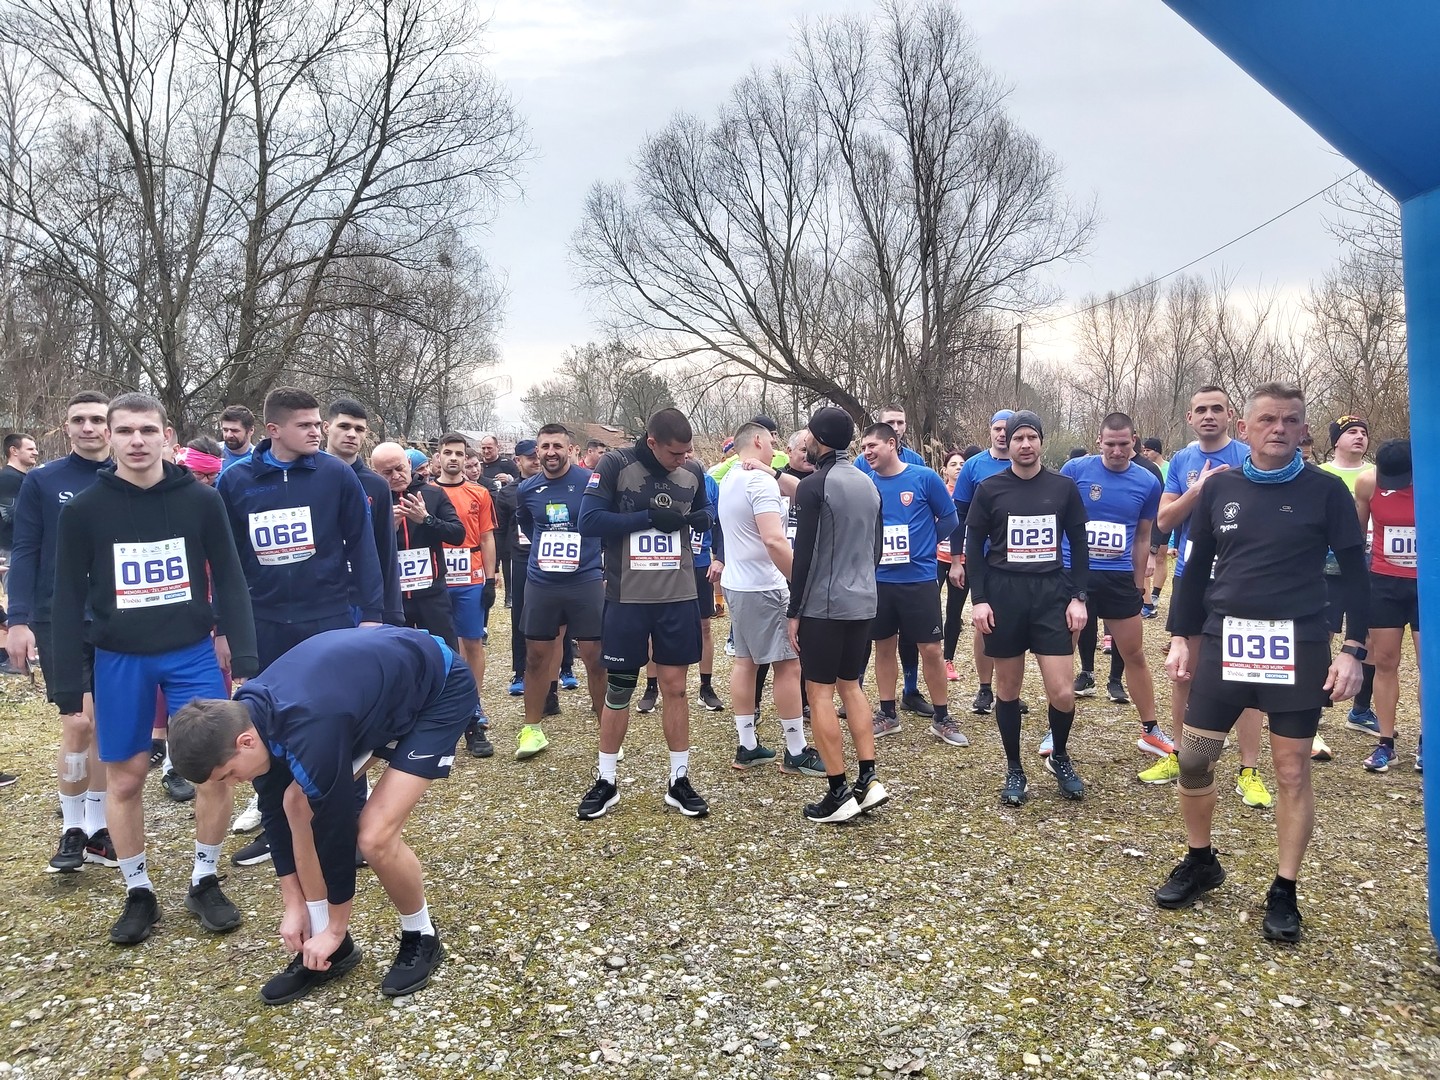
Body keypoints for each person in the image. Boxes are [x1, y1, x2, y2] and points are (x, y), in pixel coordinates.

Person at [1154, 383, 1368, 943]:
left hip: (1297, 646)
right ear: (1244, 429)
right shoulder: (1219, 486)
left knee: (1292, 771)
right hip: (1226, 641)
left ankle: (1284, 888)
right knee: (1194, 760)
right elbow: (1195, 571)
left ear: (1303, 430)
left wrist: (1353, 650)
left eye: (1291, 420)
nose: (1279, 428)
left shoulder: (1327, 492)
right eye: (1267, 419)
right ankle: (1202, 861)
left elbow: (1355, 574)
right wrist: (1180, 636)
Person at [169, 625, 476, 1003]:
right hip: (371, 696)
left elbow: (335, 836)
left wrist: (336, 925)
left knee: (374, 836)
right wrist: (294, 905)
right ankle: (332, 948)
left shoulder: (309, 725)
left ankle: (421, 934)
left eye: (229, 774)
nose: (234, 783)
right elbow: (276, 818)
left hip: (437, 689)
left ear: (244, 742)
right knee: (294, 803)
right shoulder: (250, 714)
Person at [51, 393, 258, 945]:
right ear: (109, 439)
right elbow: (67, 599)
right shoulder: (84, 510)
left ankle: (205, 878)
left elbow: (231, 578)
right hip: (119, 658)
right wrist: (68, 683)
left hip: (190, 652)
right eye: (125, 432)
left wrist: (245, 655)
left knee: (214, 768)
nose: (136, 441)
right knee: (126, 777)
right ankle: (137, 889)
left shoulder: (199, 500)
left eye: (147, 430)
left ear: (168, 437)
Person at [218, 386, 384, 866]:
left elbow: (364, 547)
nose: (318, 431)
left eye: (318, 423)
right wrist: (226, 628)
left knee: (340, 720)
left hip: (329, 619)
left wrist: (371, 616)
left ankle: (350, 824)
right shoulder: (237, 481)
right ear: (273, 431)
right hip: (265, 622)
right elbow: (227, 564)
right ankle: (279, 830)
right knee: (268, 723)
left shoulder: (336, 475)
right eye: (306, 425)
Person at [576, 408, 712, 820]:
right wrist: (648, 518)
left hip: (678, 596)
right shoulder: (617, 463)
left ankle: (679, 780)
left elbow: (702, 515)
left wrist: (703, 520)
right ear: (652, 442)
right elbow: (589, 521)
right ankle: (606, 780)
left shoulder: (694, 470)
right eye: (675, 453)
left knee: (676, 688)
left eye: (688, 452)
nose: (683, 459)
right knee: (620, 690)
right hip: (627, 599)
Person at [6, 392, 116, 872]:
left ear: (111, 426)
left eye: (97, 419)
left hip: (119, 618)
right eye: (79, 420)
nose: (89, 427)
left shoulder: (131, 478)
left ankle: (98, 828)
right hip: (59, 617)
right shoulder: (44, 480)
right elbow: (26, 549)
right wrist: (18, 620)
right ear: (65, 426)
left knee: (105, 728)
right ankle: (73, 826)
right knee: (77, 723)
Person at [1147, 386, 1271, 809]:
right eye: (1201, 410)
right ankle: (1180, 755)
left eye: (1217, 408)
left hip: (1241, 581)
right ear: (1189, 417)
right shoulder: (1182, 461)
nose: (1209, 416)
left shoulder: (1247, 454)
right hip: (1192, 578)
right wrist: (1198, 490)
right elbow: (1164, 519)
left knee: (1249, 674)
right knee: (1184, 672)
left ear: (1231, 415)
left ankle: (1249, 771)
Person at [964, 410, 1090, 805]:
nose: (1024, 444)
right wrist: (980, 599)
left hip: (1051, 593)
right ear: (1008, 442)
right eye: (1018, 437)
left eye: (1031, 437)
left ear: (1040, 442)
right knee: (1008, 689)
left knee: (1062, 691)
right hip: (1005, 594)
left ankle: (1060, 755)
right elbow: (974, 547)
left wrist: (1078, 596)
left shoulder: (1063, 487)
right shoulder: (990, 488)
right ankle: (1014, 767)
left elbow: (1079, 543)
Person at [786, 407, 887, 822]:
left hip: (824, 605)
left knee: (820, 693)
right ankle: (869, 778)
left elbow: (804, 555)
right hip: (864, 600)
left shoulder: (814, 486)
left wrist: (794, 611)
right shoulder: (869, 483)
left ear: (817, 438)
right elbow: (876, 550)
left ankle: (837, 790)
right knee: (852, 687)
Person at [1056, 414, 1171, 766]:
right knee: (1062, 653)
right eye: (1111, 444)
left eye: (1125, 444)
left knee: (1134, 653)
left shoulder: (1147, 480)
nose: (1118, 451)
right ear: (1099, 441)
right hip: (1075, 574)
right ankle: (1055, 729)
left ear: (1134, 441)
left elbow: (1141, 535)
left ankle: (1150, 729)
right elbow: (1054, 516)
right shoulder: (1075, 470)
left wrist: (1140, 585)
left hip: (1119, 577)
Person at [717, 422, 823, 776]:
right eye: (773, 442)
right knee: (789, 665)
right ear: (758, 441)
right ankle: (795, 750)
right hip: (765, 585)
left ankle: (748, 745)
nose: (775, 449)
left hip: (738, 582)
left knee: (746, 662)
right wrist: (801, 581)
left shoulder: (730, 477)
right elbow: (775, 541)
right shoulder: (758, 481)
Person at [860, 422, 963, 746]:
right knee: (884, 646)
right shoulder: (866, 484)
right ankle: (888, 713)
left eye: (872, 446)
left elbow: (950, 517)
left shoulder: (924, 478)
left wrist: (926, 539)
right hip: (880, 581)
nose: (867, 453)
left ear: (892, 444)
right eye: (863, 448)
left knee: (931, 649)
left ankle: (942, 717)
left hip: (918, 579)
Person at [512, 425, 609, 758]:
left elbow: (605, 519)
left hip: (584, 579)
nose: (550, 452)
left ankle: (606, 730)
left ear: (571, 449)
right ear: (536, 451)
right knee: (537, 656)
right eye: (544, 447)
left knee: (596, 657)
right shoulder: (527, 488)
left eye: (557, 446)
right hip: (542, 581)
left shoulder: (590, 482)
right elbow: (526, 524)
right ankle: (532, 730)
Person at [856, 406, 933, 718]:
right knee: (876, 639)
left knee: (917, 640)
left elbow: (941, 517)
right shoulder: (864, 464)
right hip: (877, 572)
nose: (898, 427)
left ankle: (911, 691)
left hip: (915, 572)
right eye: (891, 422)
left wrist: (921, 544)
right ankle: (859, 692)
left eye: (901, 421)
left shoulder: (918, 464)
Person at [1354, 440, 1419, 773]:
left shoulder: (1430, 479)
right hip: (1383, 582)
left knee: (1430, 666)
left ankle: (1427, 741)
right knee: (1385, 662)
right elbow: (1355, 532)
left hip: (1425, 586)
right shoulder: (1368, 482)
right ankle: (1386, 743)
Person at [432, 433, 498, 757]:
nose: (454, 458)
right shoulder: (427, 493)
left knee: (472, 641)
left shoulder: (480, 493)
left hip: (470, 574)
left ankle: (474, 704)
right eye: (448, 453)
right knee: (441, 645)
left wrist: (490, 578)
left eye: (459, 453)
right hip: (437, 577)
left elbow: (486, 537)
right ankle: (442, 707)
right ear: (438, 457)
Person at [952, 411, 1017, 715]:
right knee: (984, 623)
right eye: (997, 429)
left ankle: (1009, 690)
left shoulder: (1027, 464)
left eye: (1008, 429)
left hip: (1019, 560)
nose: (1002, 434)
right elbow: (959, 515)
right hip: (985, 557)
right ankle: (984, 688)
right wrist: (957, 558)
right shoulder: (975, 466)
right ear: (990, 431)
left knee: (1016, 625)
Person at [1321, 415, 1380, 742]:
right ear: (1336, 440)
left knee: (1367, 638)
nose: (1359, 437)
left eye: (1363, 432)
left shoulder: (1375, 475)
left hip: (1368, 565)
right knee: (1323, 633)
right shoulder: (1322, 474)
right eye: (1351, 432)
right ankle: (1314, 706)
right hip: (1327, 568)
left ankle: (1360, 710)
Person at [368, 444, 464, 645]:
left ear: (409, 464)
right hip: (393, 597)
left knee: (444, 653)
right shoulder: (373, 498)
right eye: (387, 472)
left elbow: (457, 534)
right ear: (375, 472)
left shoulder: (433, 493)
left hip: (432, 594)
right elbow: (363, 548)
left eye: (400, 468)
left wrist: (427, 520)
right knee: (396, 657)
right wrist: (387, 530)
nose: (395, 476)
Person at [497, 441, 555, 712]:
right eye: (529, 458)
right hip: (521, 559)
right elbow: (501, 529)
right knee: (520, 615)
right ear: (517, 460)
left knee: (559, 618)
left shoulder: (553, 486)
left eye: (537, 456)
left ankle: (564, 670)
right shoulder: (510, 492)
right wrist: (497, 563)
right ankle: (520, 671)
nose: (535, 461)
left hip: (554, 559)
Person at [1, 430, 40, 669]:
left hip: (25, 547)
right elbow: (9, 514)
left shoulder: (25, 478)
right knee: (18, 601)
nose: (35, 451)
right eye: (29, 448)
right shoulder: (7, 479)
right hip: (12, 548)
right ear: (13, 451)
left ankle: (30, 653)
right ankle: (12, 659)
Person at [938, 449, 967, 682]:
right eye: (953, 464)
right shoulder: (938, 492)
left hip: (963, 561)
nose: (958, 467)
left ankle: (948, 659)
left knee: (954, 612)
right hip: (937, 558)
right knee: (929, 607)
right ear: (944, 470)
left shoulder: (973, 493)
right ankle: (930, 654)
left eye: (962, 464)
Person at [1139, 437, 1170, 619]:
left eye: (1149, 450)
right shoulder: (1146, 468)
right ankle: (1149, 600)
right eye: (1144, 450)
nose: (1146, 453)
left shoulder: (1165, 468)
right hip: (1152, 517)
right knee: (1150, 558)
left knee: (1159, 557)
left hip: (1163, 516)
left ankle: (1152, 598)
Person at [219, 405, 257, 471]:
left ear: (251, 430)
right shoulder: (211, 453)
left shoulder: (258, 459)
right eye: (225, 430)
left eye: (235, 431)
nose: (229, 435)